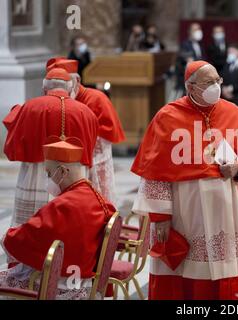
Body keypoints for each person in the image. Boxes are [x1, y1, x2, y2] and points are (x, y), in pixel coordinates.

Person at [131, 61, 238, 300]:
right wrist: (161, 217)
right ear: (191, 87)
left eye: (217, 81)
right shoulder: (168, 116)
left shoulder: (232, 112)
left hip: (224, 212)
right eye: (208, 83)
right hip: (184, 212)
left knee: (221, 274)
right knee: (184, 275)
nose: (216, 87)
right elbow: (155, 170)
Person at [0, 137, 116, 300]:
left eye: (49, 173)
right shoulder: (96, 196)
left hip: (60, 284)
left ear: (62, 171)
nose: (48, 179)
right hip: (86, 281)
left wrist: (8, 235)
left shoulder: (64, 205)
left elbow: (27, 236)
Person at [3, 68, 98, 230]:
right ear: (70, 88)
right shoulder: (86, 112)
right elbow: (91, 148)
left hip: (37, 174)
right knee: (70, 226)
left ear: (44, 88)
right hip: (73, 176)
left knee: (30, 226)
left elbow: (12, 144)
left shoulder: (30, 107)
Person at [46, 57, 126, 204]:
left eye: (67, 84)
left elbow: (105, 135)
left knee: (97, 198)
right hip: (67, 164)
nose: (65, 89)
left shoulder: (96, 98)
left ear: (77, 80)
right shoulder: (58, 100)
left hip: (94, 161)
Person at [174, 23, 205, 95]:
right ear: (190, 32)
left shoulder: (200, 45)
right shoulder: (185, 44)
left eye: (199, 29)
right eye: (195, 29)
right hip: (188, 80)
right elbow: (187, 60)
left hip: (199, 79)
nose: (198, 31)